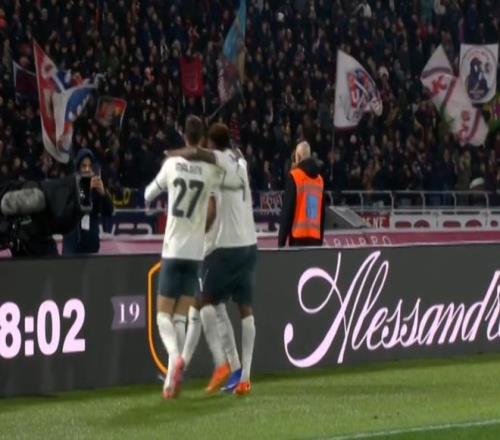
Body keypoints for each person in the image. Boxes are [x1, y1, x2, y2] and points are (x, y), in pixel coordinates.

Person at [169, 123, 257, 396]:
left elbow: (201, 156)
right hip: (249, 245)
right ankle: (243, 375)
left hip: (225, 246)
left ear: (213, 144)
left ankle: (223, 364)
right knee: (244, 309)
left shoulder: (217, 162)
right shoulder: (241, 162)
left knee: (204, 300)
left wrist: (175, 153)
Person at [144, 115, 224, 399]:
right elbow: (213, 208)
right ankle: (170, 382)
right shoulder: (210, 171)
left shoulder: (172, 165)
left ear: (184, 136)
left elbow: (149, 194)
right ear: (202, 138)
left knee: (162, 317)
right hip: (194, 254)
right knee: (180, 318)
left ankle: (174, 356)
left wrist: (157, 189)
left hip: (173, 249)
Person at [62, 149, 113, 255]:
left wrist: (103, 194)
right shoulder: (69, 185)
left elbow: (108, 212)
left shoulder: (96, 187)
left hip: (91, 245)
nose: (87, 169)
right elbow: (69, 209)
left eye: (90, 166)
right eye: (84, 166)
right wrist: (86, 189)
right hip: (72, 246)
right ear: (78, 168)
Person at [278, 141, 325, 247]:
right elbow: (322, 215)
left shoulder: (295, 176)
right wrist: (320, 240)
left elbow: (287, 211)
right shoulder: (320, 180)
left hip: (297, 239)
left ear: (298, 157)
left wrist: (281, 243)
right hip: (315, 239)